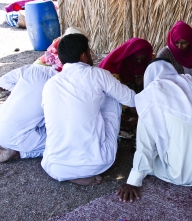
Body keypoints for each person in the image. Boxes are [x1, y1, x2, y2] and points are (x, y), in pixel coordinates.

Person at [116, 59, 192, 202]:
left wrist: (132, 181)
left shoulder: (150, 95)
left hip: (187, 174)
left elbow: (145, 147)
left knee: (151, 159)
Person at [41, 33, 136, 186]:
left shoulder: (51, 84)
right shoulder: (97, 74)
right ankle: (87, 169)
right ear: (84, 55)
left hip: (54, 166)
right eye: (89, 51)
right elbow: (131, 99)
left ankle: (72, 174)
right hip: (97, 162)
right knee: (112, 97)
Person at [0, 64, 58, 163]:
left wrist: (20, 92)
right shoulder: (58, 84)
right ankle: (21, 153)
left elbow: (2, 81)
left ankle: (18, 149)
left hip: (0, 129)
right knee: (63, 141)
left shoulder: (32, 68)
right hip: (17, 139)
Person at [98, 38, 153, 131]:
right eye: (137, 59)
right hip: (117, 114)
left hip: (136, 111)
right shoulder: (113, 71)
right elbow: (114, 96)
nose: (139, 63)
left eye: (142, 60)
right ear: (129, 56)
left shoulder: (145, 66)